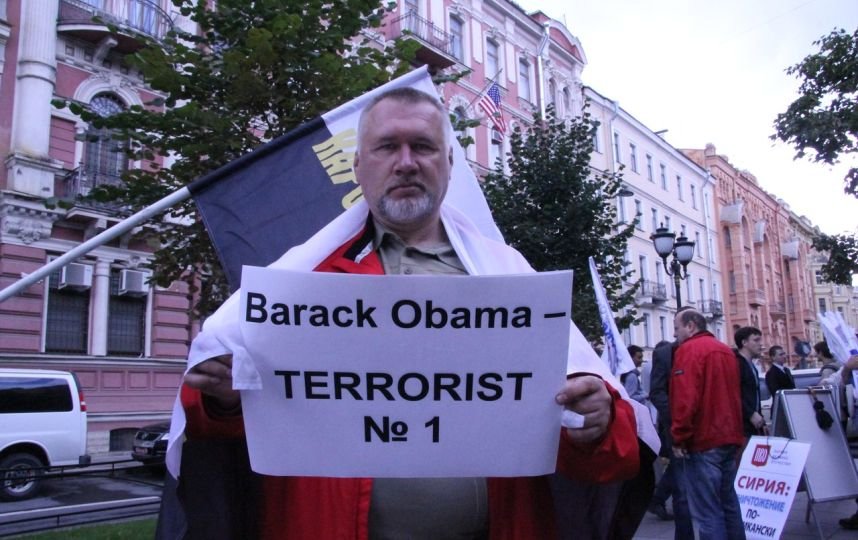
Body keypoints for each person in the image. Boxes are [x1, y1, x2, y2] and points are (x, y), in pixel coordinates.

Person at [180, 88, 641, 539]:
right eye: (386, 147)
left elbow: (608, 449)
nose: (405, 162)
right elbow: (215, 427)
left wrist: (594, 422)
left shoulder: (510, 279)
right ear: (358, 166)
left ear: (449, 163)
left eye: (423, 146)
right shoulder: (297, 284)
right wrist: (225, 397)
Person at [670, 309, 745, 540]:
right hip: (729, 436)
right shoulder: (725, 351)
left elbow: (685, 399)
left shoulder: (688, 351)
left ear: (690, 326)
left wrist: (679, 437)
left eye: (676, 328)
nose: (675, 334)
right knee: (729, 504)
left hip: (704, 439)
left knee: (708, 512)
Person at [648, 339, 694, 539]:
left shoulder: (709, 352)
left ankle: (657, 498)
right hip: (676, 431)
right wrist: (677, 416)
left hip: (706, 433)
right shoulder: (665, 355)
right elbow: (656, 393)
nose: (676, 332)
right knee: (681, 489)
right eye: (675, 327)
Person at [735, 326, 766, 439]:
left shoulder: (752, 365)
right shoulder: (737, 363)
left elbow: (755, 395)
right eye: (756, 340)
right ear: (744, 342)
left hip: (754, 424)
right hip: (742, 425)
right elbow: (734, 393)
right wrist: (750, 413)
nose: (760, 344)